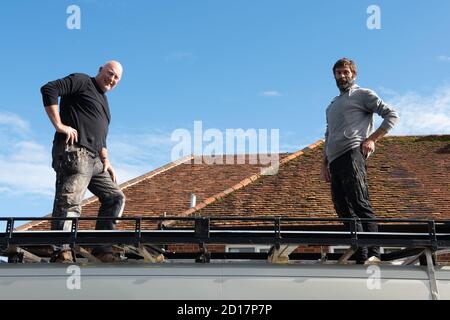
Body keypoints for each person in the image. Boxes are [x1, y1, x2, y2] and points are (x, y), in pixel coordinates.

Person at [41, 61, 125, 263]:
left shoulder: (104, 103)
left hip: (95, 159)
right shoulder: (82, 81)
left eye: (116, 78)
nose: (112, 79)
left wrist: (106, 159)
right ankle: (62, 250)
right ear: (100, 70)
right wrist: (60, 125)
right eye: (110, 73)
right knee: (71, 202)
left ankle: (101, 248)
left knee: (115, 197)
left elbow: (100, 135)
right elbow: (49, 88)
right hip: (75, 151)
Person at [321, 58, 399, 264]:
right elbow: (328, 134)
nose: (342, 76)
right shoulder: (331, 106)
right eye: (338, 73)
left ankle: (374, 253)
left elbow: (391, 115)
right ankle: (361, 252)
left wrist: (372, 139)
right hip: (334, 160)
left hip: (352, 152)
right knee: (342, 208)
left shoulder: (363, 94)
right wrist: (324, 164)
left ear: (353, 74)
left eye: (346, 72)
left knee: (360, 202)